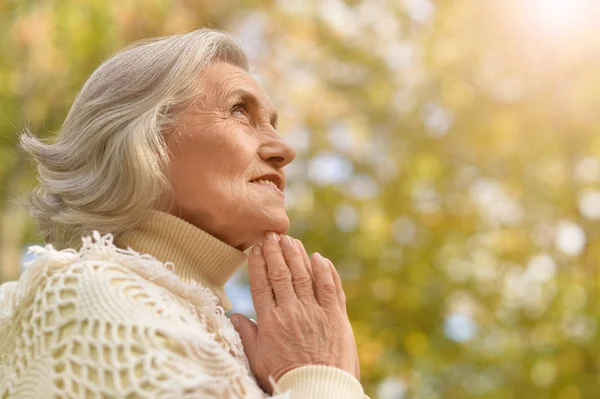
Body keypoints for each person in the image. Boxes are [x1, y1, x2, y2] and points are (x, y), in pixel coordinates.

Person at [0, 29, 365, 398]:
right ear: (143, 140)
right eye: (240, 110)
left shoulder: (250, 349)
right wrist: (320, 376)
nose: (284, 149)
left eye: (273, 123)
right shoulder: (83, 297)